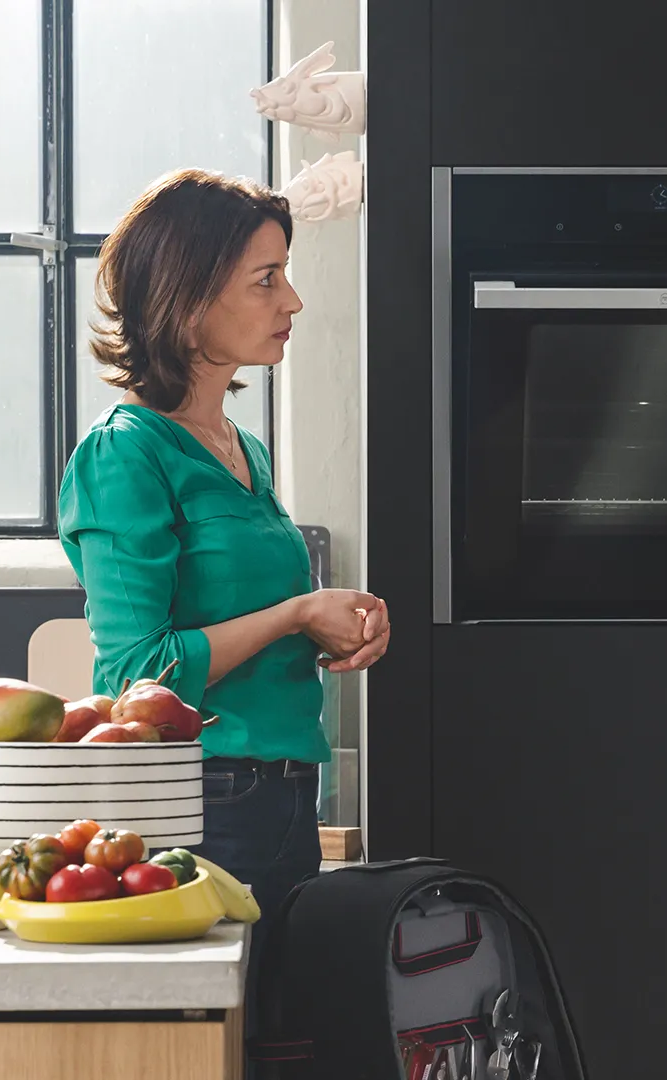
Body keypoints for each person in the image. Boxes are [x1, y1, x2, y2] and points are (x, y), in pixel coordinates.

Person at [58, 168, 391, 939]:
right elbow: (135, 675)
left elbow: (245, 621)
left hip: (280, 792)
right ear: (190, 300)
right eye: (266, 280)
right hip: (204, 803)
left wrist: (333, 627)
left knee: (277, 1046)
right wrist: (296, 612)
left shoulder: (240, 448)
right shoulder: (125, 455)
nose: (293, 301)